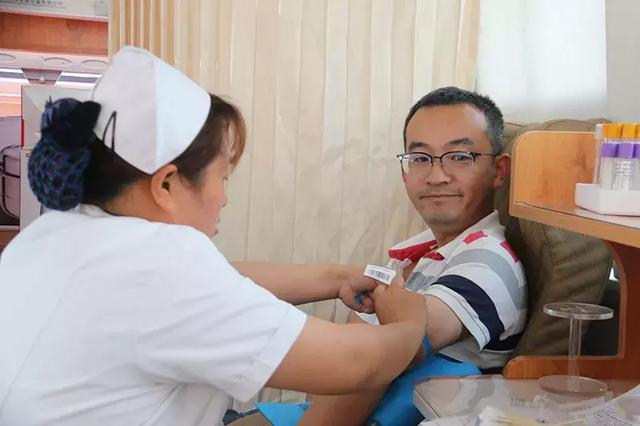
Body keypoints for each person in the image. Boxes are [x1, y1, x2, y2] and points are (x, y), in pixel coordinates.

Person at [0, 46, 428, 426]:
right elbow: (356, 364)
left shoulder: (54, 233)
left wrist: (337, 278)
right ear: (167, 184)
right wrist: (412, 318)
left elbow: (225, 280)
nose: (225, 197)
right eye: (222, 176)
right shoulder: (163, 265)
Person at [300, 87, 527, 425]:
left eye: (460, 157)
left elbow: (389, 349)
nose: (436, 177)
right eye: (420, 158)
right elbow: (351, 354)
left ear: (499, 171)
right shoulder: (414, 253)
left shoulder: (488, 262)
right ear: (405, 171)